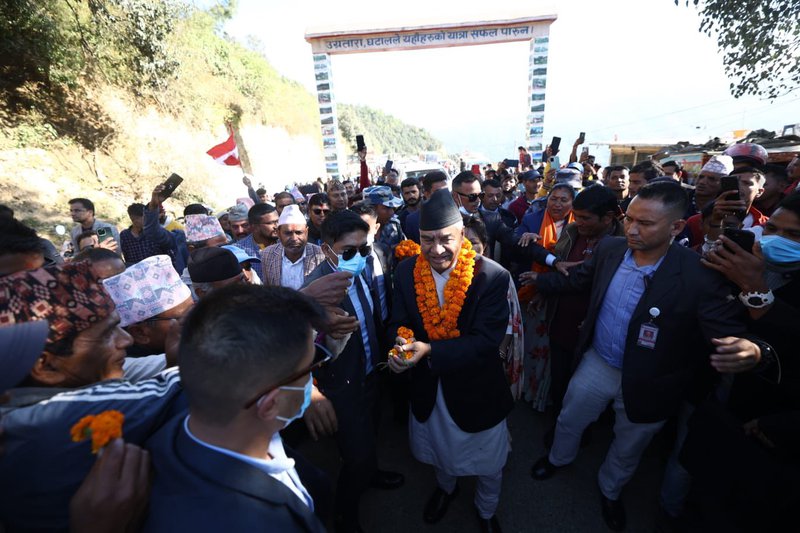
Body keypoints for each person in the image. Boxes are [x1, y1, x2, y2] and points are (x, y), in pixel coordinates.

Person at [526, 182, 764, 531]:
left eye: (647, 223)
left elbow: (726, 331)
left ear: (677, 227)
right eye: (630, 219)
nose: (633, 230)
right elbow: (579, 279)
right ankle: (558, 458)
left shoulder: (698, 274)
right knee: (570, 418)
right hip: (599, 362)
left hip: (653, 380)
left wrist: (750, 348)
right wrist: (536, 282)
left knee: (629, 443)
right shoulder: (609, 249)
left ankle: (610, 490)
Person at [142, 285, 329, 532]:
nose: (312, 384)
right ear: (271, 403)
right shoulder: (242, 522)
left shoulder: (193, 420)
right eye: (309, 370)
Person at [387, 189, 513, 532]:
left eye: (446, 239)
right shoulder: (405, 271)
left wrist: (429, 351)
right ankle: (446, 490)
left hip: (477, 389)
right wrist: (399, 349)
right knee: (438, 452)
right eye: (427, 240)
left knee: (488, 463)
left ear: (462, 235)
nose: (436, 249)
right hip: (428, 385)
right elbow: (397, 322)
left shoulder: (492, 276)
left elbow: (486, 341)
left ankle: (486, 511)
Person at [304, 210, 404, 533]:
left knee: (371, 434)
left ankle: (372, 474)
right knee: (355, 456)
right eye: (349, 251)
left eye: (364, 248)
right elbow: (295, 348)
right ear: (326, 249)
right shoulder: (313, 289)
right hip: (341, 385)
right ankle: (345, 516)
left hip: (372, 373)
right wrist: (314, 391)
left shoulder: (363, 268)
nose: (359, 257)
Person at [533, 185, 625, 442]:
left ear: (608, 218)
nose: (578, 222)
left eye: (585, 218)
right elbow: (558, 268)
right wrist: (543, 287)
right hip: (561, 322)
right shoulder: (572, 232)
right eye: (577, 215)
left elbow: (581, 280)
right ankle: (560, 432)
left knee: (587, 392)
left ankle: (581, 434)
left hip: (595, 333)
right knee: (561, 382)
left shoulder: (621, 244)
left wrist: (538, 282)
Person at [102, 254, 193, 361]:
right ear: (140, 334)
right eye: (184, 319)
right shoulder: (129, 369)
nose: (198, 321)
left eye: (195, 310)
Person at [452, 171, 515, 266]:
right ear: (456, 196)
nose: (478, 201)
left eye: (480, 196)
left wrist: (525, 237)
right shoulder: (441, 222)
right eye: (472, 197)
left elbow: (514, 240)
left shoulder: (491, 220)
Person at [261, 205, 325, 290]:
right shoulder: (267, 254)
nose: (294, 239)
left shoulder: (321, 255)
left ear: (306, 232)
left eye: (299, 233)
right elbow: (268, 289)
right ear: (278, 233)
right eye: (288, 233)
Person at [233, 203, 280, 281]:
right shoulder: (239, 250)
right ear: (254, 226)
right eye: (270, 223)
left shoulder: (285, 245)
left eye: (277, 221)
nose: (276, 226)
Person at [404, 171, 449, 243]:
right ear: (426, 194)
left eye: (446, 191)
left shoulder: (457, 215)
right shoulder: (413, 220)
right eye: (438, 192)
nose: (444, 195)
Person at [363, 185, 405, 249]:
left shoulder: (394, 225)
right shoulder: (358, 231)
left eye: (392, 208)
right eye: (387, 208)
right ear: (371, 209)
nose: (392, 212)